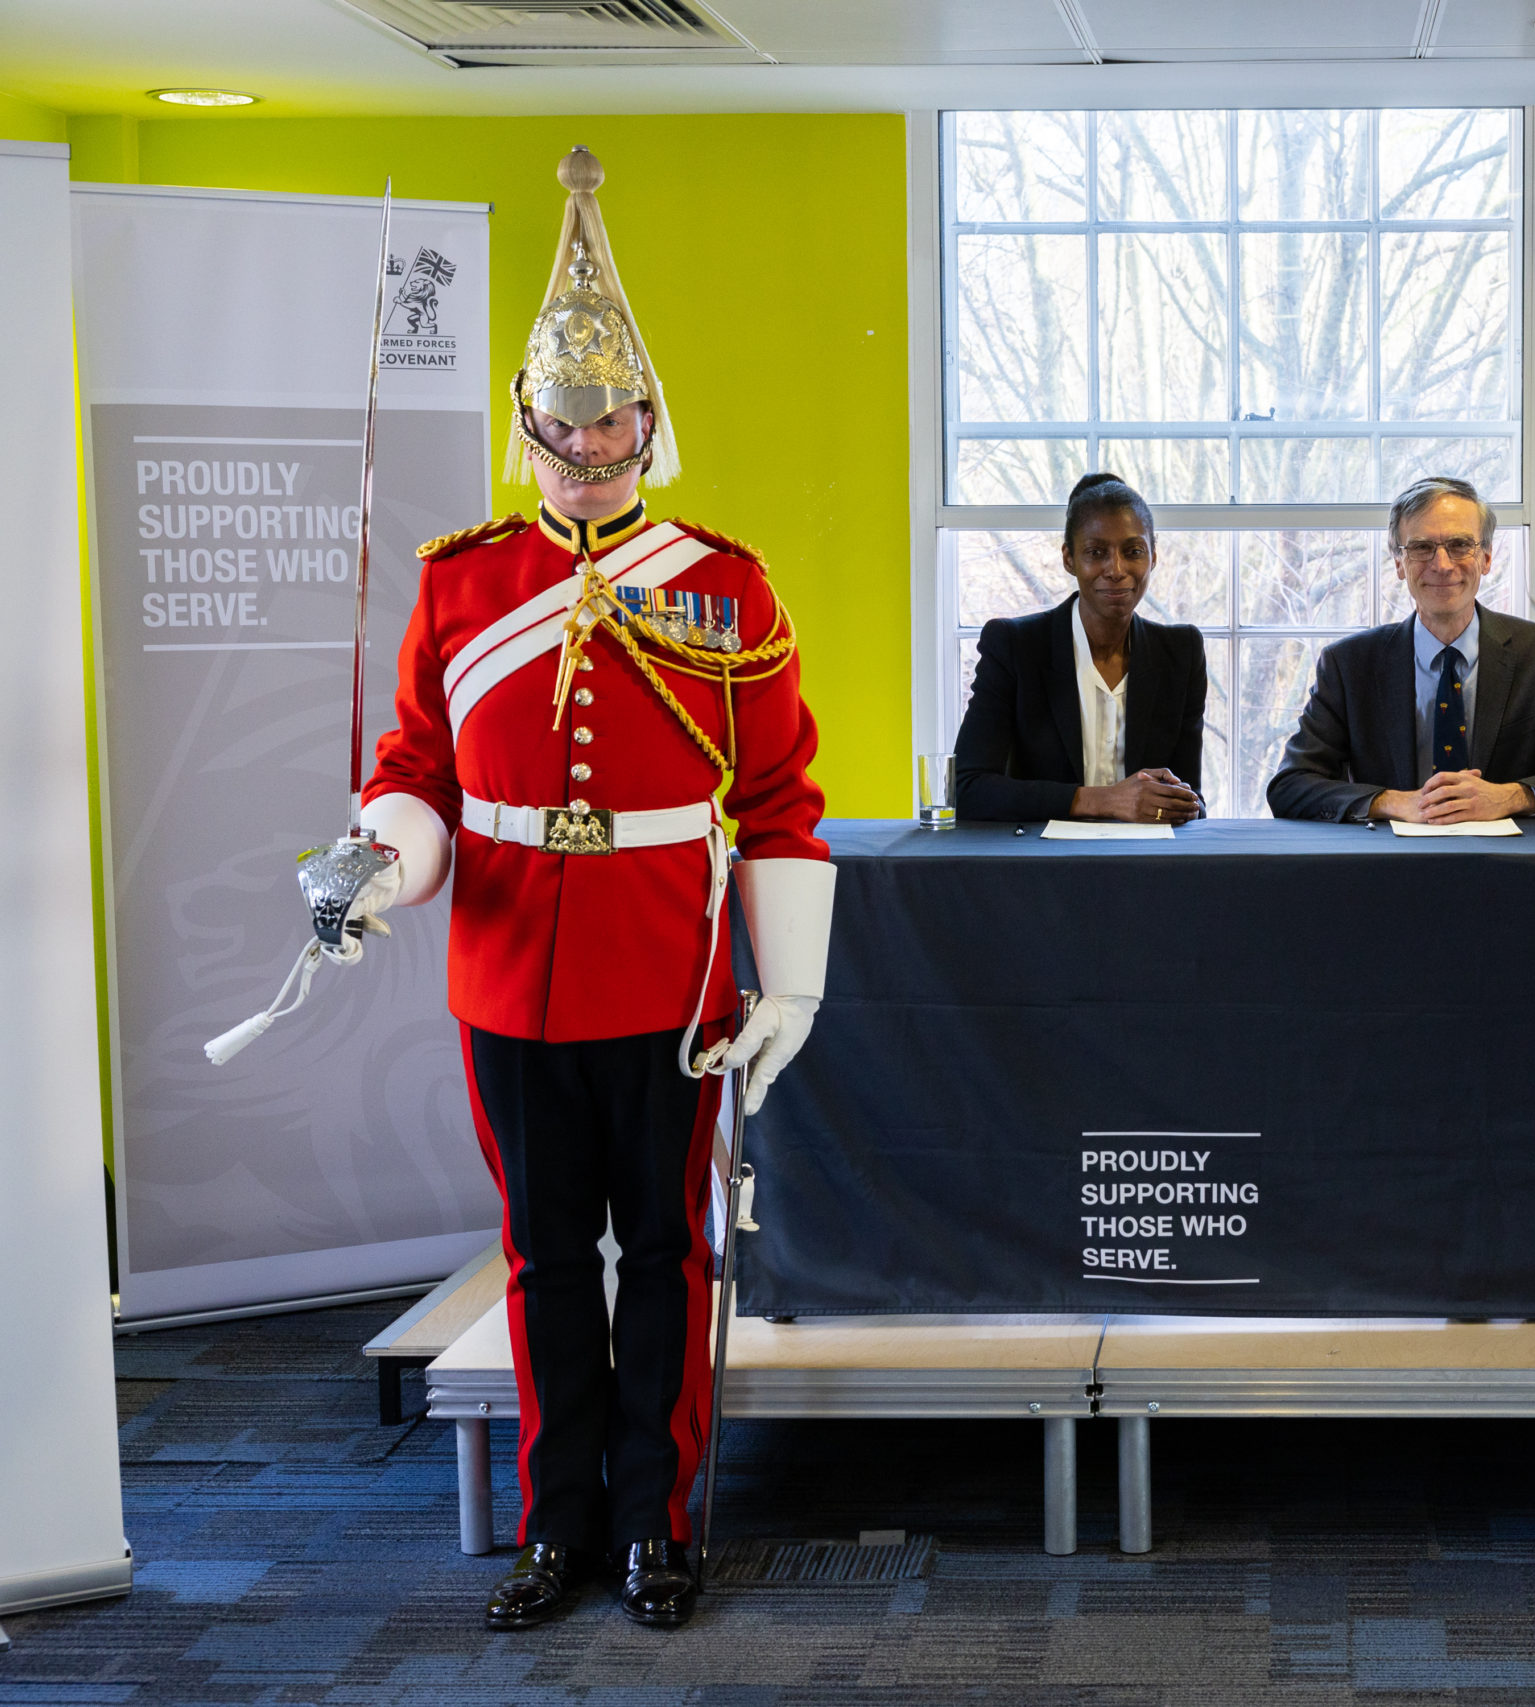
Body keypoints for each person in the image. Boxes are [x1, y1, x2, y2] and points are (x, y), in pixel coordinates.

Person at [347, 148, 835, 1632]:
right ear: (525, 426)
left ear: (648, 417)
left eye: (607, 416)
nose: (583, 444)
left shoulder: (722, 585)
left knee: (672, 1256)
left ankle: (658, 1520)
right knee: (547, 1256)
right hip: (508, 974)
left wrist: (791, 978)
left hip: (670, 977)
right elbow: (419, 767)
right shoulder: (461, 581)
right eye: (557, 423)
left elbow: (777, 799)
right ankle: (554, 1523)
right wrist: (375, 864)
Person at [1267, 476, 1535, 823]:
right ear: (1398, 562)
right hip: (1384, 868)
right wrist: (1394, 802)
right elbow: (1290, 787)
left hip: (1509, 869)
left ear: (1486, 558)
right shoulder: (1349, 665)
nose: (1442, 565)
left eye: (1460, 545)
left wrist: (1509, 797)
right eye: (1422, 547)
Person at [954, 472, 1207, 824]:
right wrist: (1104, 800)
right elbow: (967, 790)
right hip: (1039, 866)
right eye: (1096, 552)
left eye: (1133, 551)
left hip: (1146, 867)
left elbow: (1191, 799)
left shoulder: (1181, 652)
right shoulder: (1014, 646)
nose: (1116, 569)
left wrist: (1177, 803)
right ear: (1069, 558)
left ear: (1153, 557)